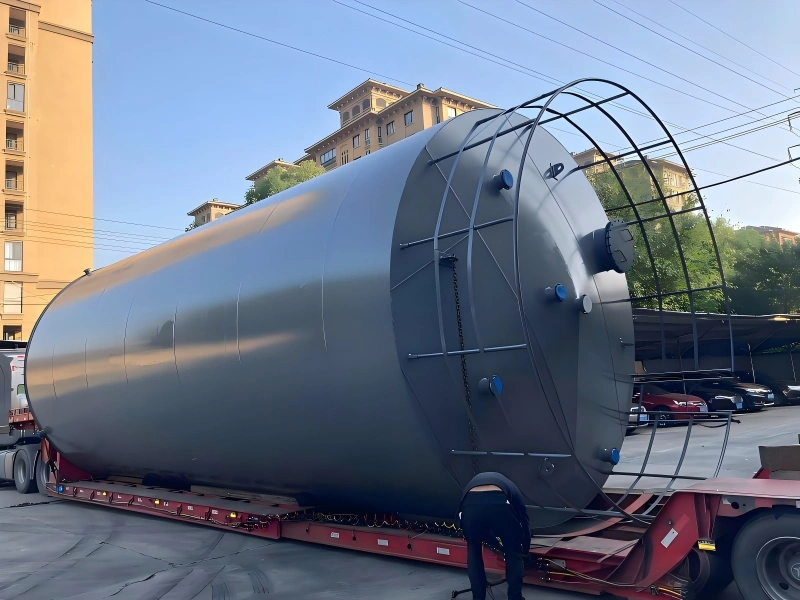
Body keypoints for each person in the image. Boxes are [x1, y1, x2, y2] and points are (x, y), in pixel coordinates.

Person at [458, 472, 531, 600]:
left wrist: (466, 532)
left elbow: (459, 513)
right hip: (500, 500)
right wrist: (524, 549)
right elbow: (524, 521)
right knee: (513, 551)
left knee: (473, 550)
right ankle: (515, 597)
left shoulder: (472, 483)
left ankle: (478, 598)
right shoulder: (512, 488)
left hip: (470, 503)